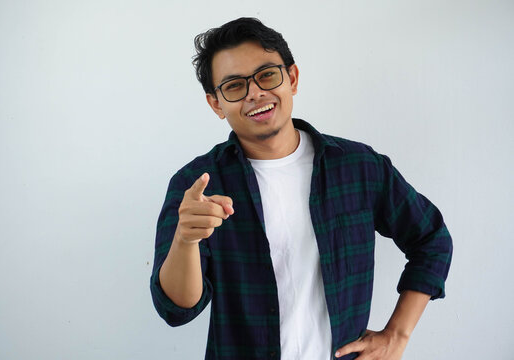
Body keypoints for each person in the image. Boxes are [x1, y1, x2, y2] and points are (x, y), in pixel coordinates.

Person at [150, 17, 452, 360]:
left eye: (266, 75)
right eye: (234, 86)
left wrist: (397, 334)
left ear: (291, 78)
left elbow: (432, 240)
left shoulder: (358, 166)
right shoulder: (197, 184)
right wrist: (185, 239)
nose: (254, 93)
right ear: (216, 104)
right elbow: (176, 310)